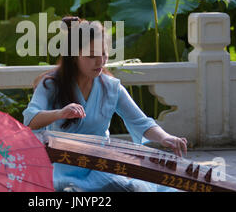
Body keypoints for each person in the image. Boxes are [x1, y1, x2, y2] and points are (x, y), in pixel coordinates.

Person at [23, 16, 188, 192]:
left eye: (104, 53)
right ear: (73, 56)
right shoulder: (52, 84)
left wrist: (165, 137)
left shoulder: (111, 87)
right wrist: (59, 113)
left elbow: (141, 122)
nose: (100, 61)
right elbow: (30, 119)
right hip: (63, 167)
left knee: (133, 188)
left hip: (100, 166)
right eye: (91, 56)